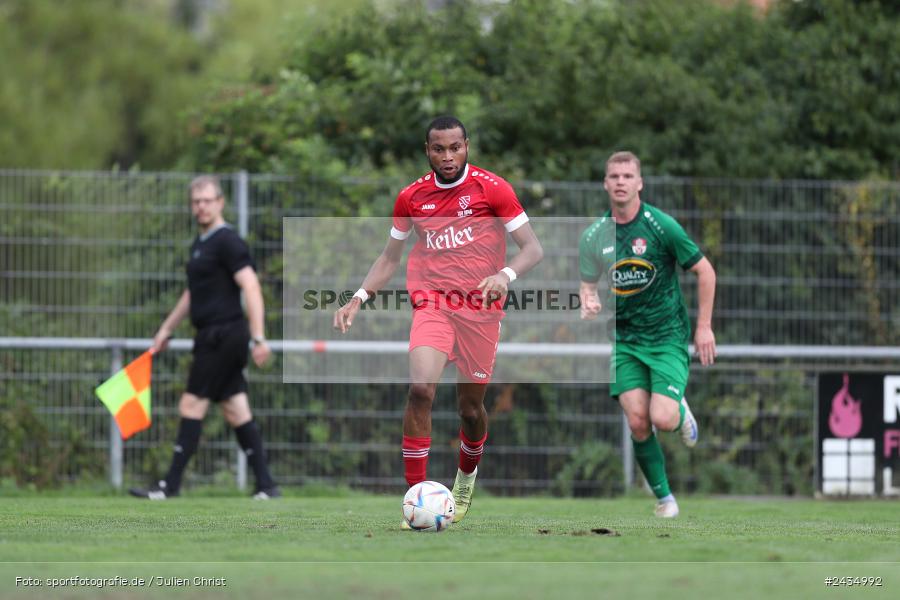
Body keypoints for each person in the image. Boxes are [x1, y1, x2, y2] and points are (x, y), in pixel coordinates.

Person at [334, 116, 543, 525]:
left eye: (455, 147)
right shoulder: (412, 197)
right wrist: (358, 297)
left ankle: (465, 478)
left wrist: (505, 275)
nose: (447, 157)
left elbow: (532, 248)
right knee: (420, 390)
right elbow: (390, 258)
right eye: (438, 149)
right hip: (433, 304)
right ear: (426, 150)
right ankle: (415, 499)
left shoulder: (492, 189)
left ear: (467, 146)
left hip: (481, 314)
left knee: (471, 410)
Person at [579, 151, 716, 518]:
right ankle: (665, 500)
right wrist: (588, 300)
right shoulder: (594, 236)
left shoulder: (662, 226)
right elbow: (587, 283)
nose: (620, 181)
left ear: (639, 183)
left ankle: (681, 411)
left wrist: (703, 327)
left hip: (667, 337)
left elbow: (706, 272)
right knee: (637, 421)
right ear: (605, 184)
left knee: (663, 418)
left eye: (627, 175)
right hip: (626, 343)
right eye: (614, 176)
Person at [129, 175, 280, 500]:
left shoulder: (227, 241)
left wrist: (259, 337)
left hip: (225, 335)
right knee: (236, 409)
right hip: (210, 335)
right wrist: (166, 329)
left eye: (207, 200)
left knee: (191, 402)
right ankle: (266, 485)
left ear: (220, 202)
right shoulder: (201, 244)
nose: (201, 207)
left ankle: (168, 487)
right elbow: (192, 294)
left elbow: (251, 286)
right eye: (196, 202)